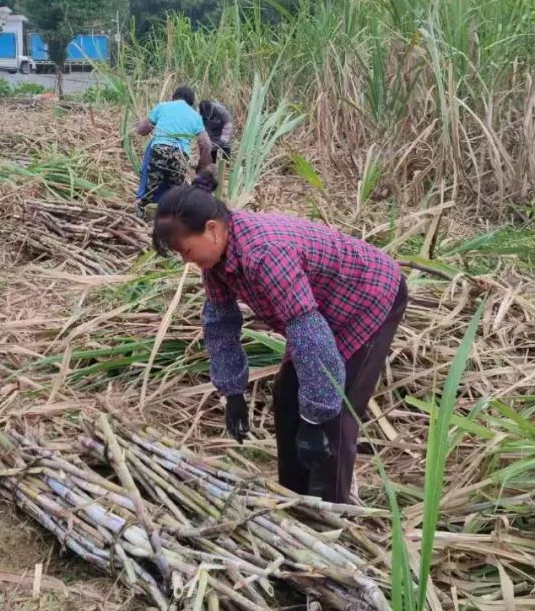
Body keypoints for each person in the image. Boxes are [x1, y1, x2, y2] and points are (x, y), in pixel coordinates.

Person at [151, 177, 407, 503]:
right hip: (320, 310)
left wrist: (315, 420)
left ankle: (331, 514)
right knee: (288, 397)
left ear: (212, 229)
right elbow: (220, 324)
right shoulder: (215, 261)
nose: (186, 261)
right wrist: (233, 393)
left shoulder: (264, 254)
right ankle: (295, 498)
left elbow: (309, 335)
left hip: (368, 298)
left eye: (186, 250)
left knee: (335, 412)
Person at [134, 85, 214, 216]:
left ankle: (142, 214)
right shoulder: (195, 116)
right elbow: (206, 145)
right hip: (180, 156)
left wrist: (143, 126)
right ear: (191, 102)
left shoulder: (163, 106)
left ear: (174, 97)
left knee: (150, 190)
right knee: (175, 193)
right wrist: (201, 166)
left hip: (160, 150)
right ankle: (173, 218)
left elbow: (142, 130)